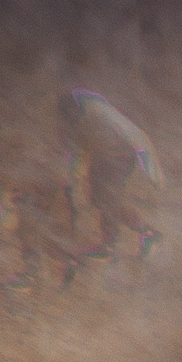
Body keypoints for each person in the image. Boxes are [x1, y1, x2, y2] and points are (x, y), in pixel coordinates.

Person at [57, 88, 164, 260]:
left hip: (121, 156)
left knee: (109, 199)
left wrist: (153, 174)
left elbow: (137, 136)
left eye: (70, 112)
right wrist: (71, 178)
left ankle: (147, 233)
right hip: (102, 158)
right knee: (98, 198)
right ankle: (109, 243)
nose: (69, 116)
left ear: (76, 106)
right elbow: (77, 152)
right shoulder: (76, 122)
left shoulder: (101, 112)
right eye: (66, 114)